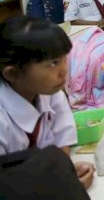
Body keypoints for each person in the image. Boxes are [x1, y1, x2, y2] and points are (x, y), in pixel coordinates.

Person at [0, 16, 95, 189]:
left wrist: (66, 174)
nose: (64, 71)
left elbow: (61, 145)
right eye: (53, 63)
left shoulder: (50, 91)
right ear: (12, 74)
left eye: (64, 59)